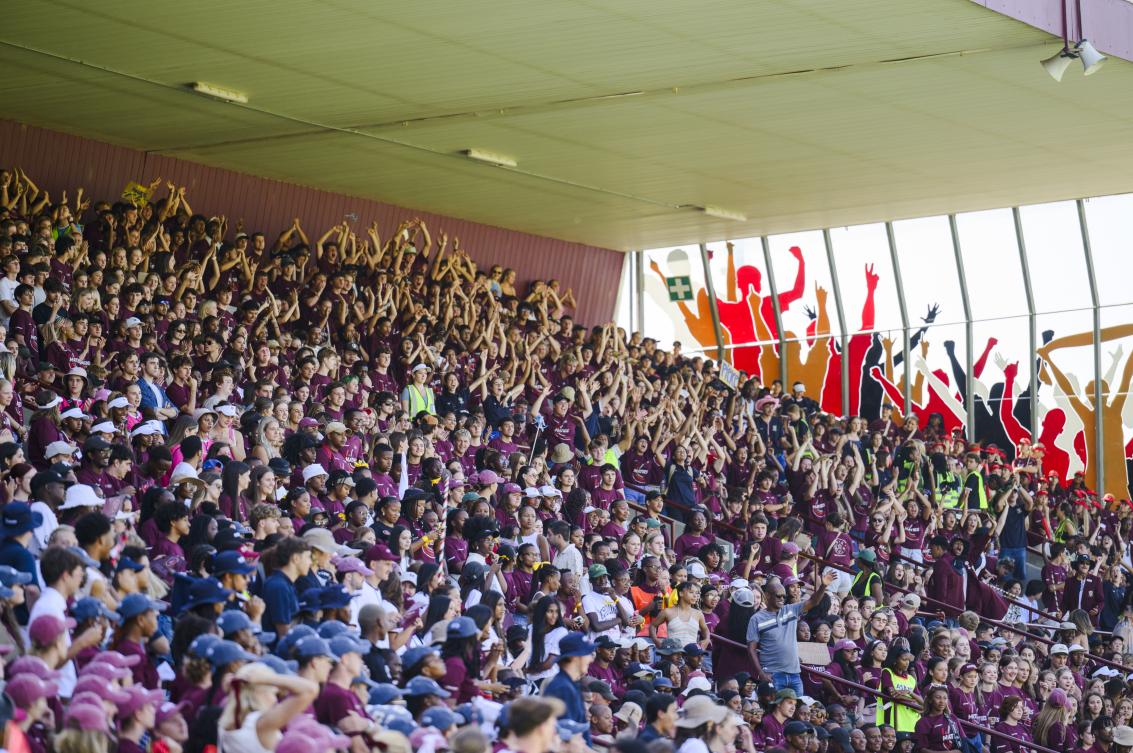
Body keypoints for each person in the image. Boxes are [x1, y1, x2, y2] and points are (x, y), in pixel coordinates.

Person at [748, 570, 836, 694]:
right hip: (773, 674)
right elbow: (751, 649)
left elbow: (813, 602)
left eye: (784, 596)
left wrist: (823, 586)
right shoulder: (756, 619)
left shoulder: (790, 610)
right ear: (767, 596)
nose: (782, 599)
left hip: (794, 674)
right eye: (778, 596)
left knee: (798, 710)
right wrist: (761, 673)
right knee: (775, 709)